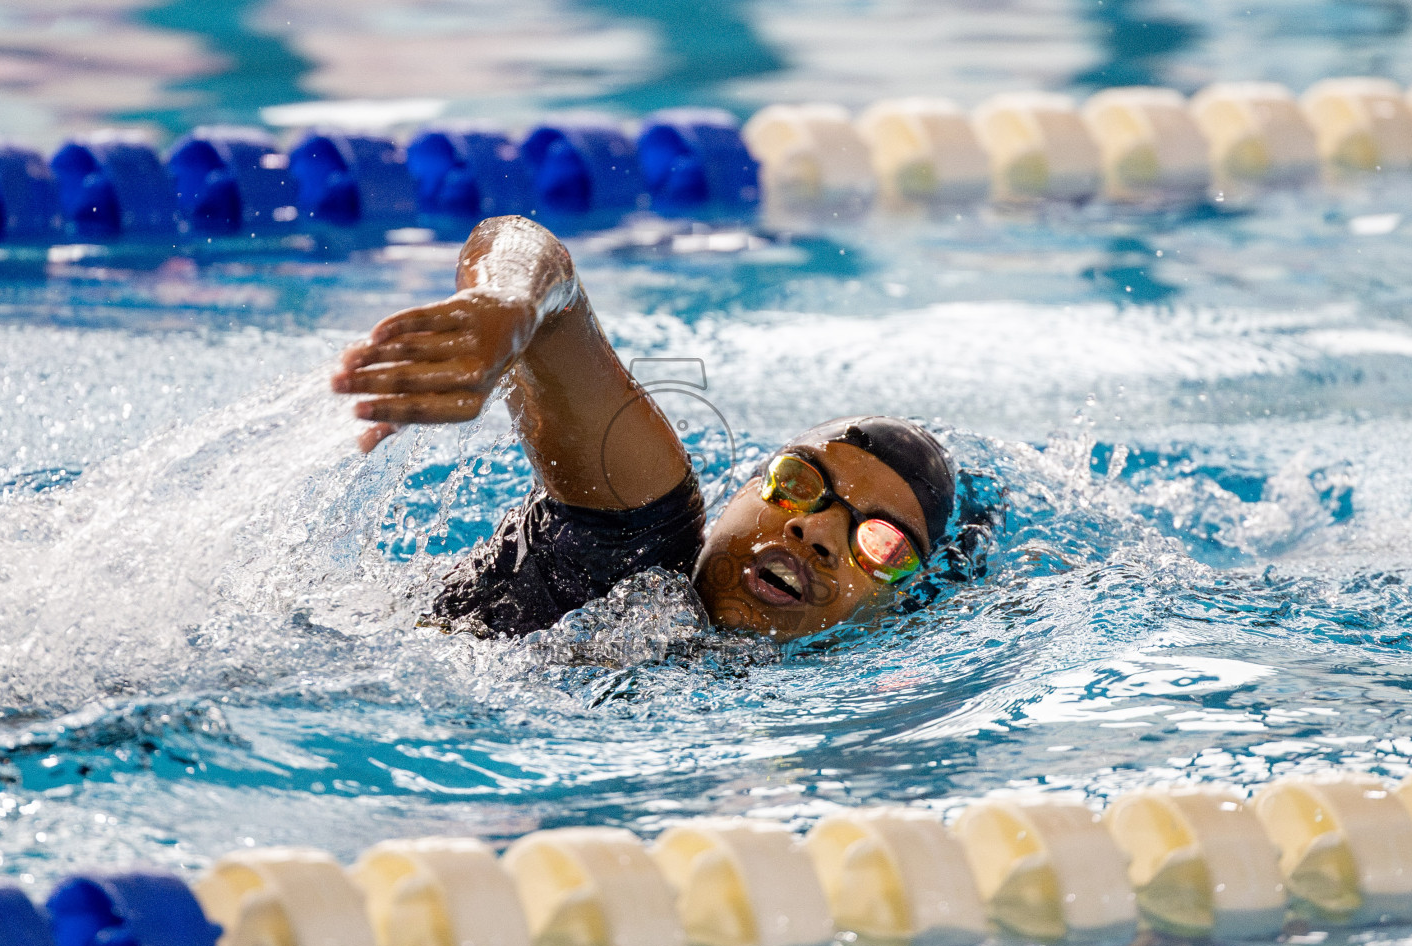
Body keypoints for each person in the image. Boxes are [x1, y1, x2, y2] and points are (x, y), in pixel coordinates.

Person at [333, 215, 978, 641]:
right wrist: (506, 307)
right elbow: (542, 267)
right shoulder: (641, 538)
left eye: (881, 544)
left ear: (899, 610)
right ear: (741, 493)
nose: (813, 531)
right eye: (799, 481)